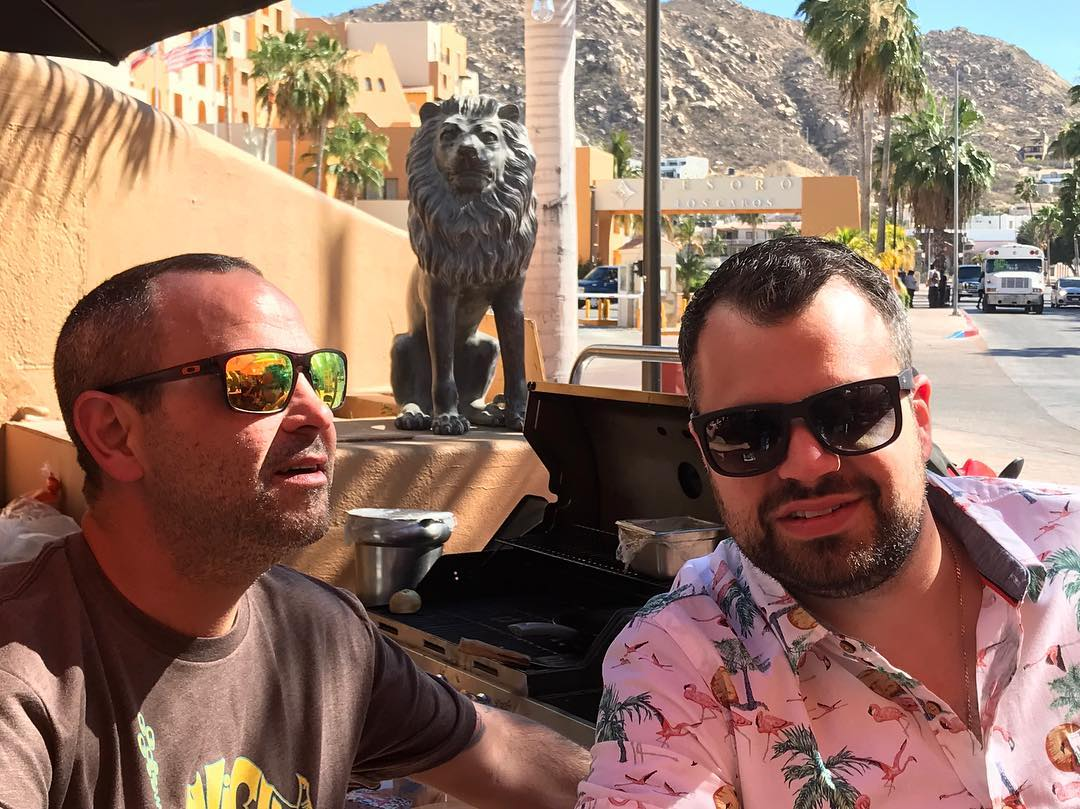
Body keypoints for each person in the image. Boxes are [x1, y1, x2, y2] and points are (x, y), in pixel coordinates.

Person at [0, 254, 589, 808]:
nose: (318, 415)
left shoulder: (322, 632)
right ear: (113, 433)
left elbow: (499, 753)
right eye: (259, 381)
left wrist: (638, 782)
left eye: (320, 377)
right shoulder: (22, 678)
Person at [576, 237, 1080, 808]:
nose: (806, 464)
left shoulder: (1068, 547)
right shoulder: (676, 664)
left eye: (850, 413)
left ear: (918, 419)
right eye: (747, 432)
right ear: (703, 451)